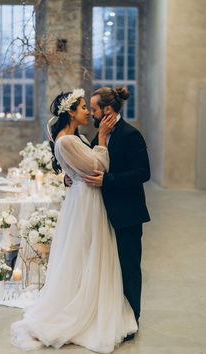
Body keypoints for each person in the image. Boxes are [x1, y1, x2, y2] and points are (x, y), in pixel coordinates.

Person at [11, 89, 138, 353]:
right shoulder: (67, 141)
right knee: (86, 253)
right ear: (70, 112)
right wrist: (102, 138)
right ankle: (82, 308)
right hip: (86, 203)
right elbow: (98, 167)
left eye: (89, 108)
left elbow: (84, 165)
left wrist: (73, 173)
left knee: (89, 253)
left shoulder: (75, 137)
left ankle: (93, 301)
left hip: (88, 200)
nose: (87, 112)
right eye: (83, 107)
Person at [83, 87, 151, 340]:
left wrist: (107, 181)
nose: (91, 113)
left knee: (129, 267)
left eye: (94, 109)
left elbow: (143, 173)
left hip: (128, 214)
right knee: (111, 267)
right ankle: (114, 314)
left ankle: (132, 319)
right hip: (105, 214)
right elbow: (92, 160)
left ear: (107, 110)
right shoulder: (101, 135)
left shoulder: (131, 135)